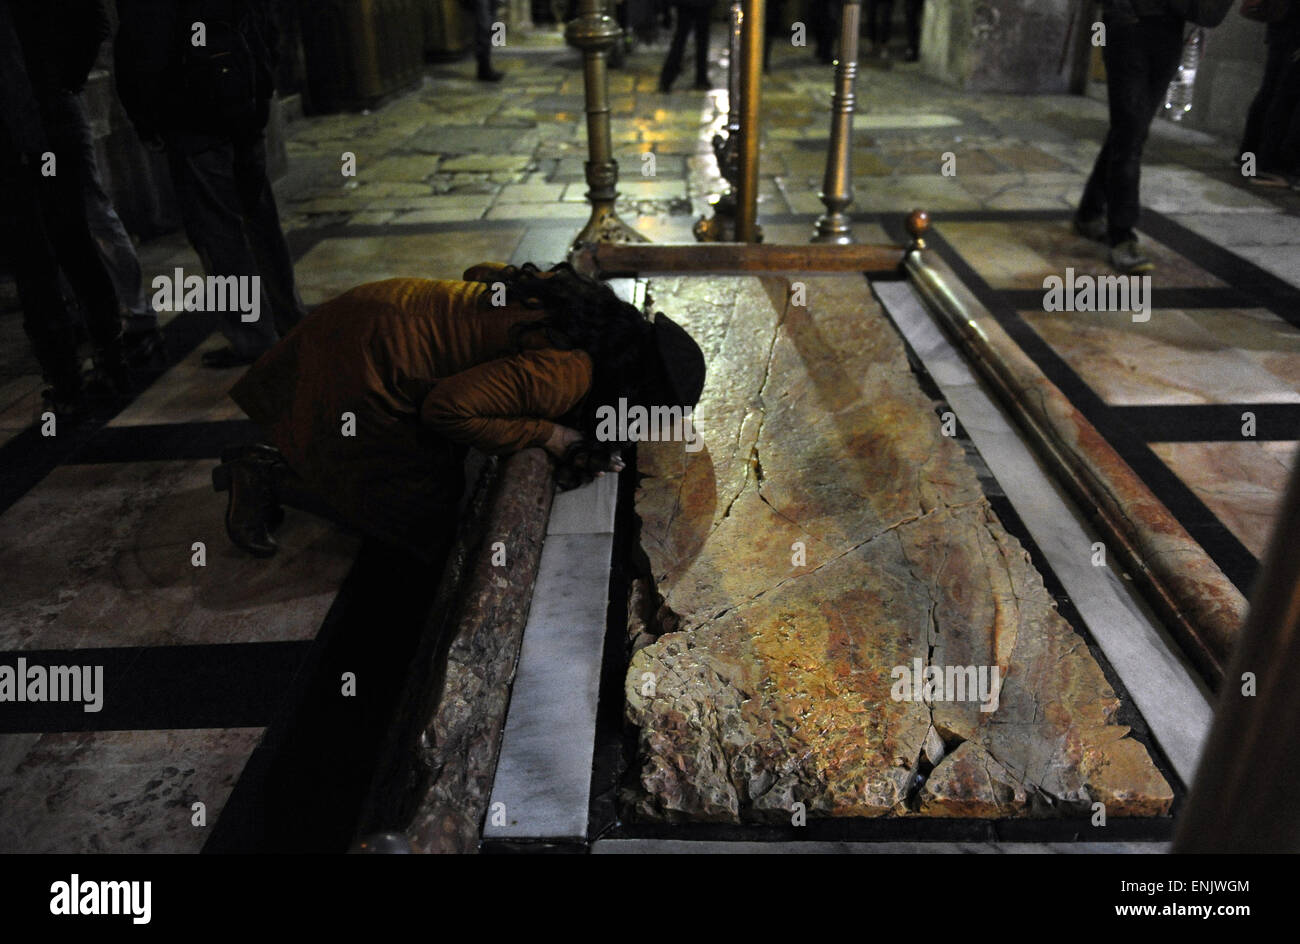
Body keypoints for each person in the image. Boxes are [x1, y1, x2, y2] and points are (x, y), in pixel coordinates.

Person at [212, 262, 707, 562]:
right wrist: (550, 436)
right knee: (421, 522)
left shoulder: (581, 309)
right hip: (366, 358)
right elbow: (445, 408)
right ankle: (265, 475)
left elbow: (480, 273)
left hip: (378, 305)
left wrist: (465, 330)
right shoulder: (566, 376)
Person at [114, 0, 305, 368]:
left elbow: (143, 48)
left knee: (218, 230)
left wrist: (147, 119)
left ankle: (253, 336)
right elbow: (265, 24)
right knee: (258, 217)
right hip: (243, 98)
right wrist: (261, 89)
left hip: (194, 115)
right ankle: (287, 317)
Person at [1, 0, 130, 417]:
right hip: (55, 114)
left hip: (20, 136)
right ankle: (112, 359)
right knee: (74, 243)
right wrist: (65, 83)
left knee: (35, 263)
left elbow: (10, 67)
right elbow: (94, 22)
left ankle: (66, 382)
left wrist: (27, 136)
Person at [1074, 1, 1188, 274]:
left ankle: (1090, 211)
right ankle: (1122, 235)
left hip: (1171, 28)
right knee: (1130, 131)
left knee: (1131, 130)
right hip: (1128, 25)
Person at [1240, 1, 1300, 188]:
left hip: (1282, 27)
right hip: (1293, 32)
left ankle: (1250, 161)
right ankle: (1280, 169)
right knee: (1285, 99)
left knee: (1271, 93)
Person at [659, 0, 714, 92]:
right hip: (703, 4)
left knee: (681, 37)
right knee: (701, 39)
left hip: (685, 3)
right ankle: (701, 78)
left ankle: (667, 78)